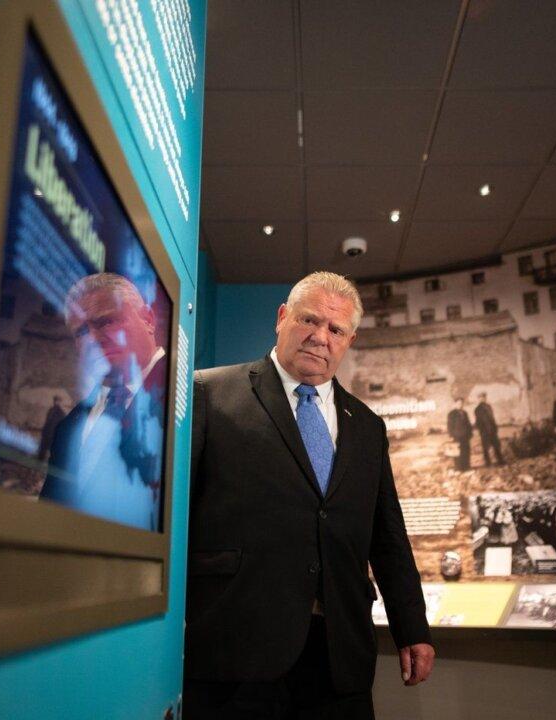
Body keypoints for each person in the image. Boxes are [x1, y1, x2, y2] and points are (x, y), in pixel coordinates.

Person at [184, 272, 434, 719]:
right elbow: (176, 514)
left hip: (339, 653)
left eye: (335, 329)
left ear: (349, 340)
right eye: (309, 320)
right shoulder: (210, 393)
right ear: (282, 318)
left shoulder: (367, 425)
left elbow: (388, 536)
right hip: (236, 649)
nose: (320, 337)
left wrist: (412, 627)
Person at [38, 273, 167, 531]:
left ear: (148, 320)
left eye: (107, 321)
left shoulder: (195, 400)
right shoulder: (68, 426)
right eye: (81, 331)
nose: (93, 339)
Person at [474, 393, 504, 465]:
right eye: (481, 398)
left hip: (492, 431)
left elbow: (492, 418)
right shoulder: (477, 409)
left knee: (496, 445)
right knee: (485, 447)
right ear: (478, 399)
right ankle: (488, 462)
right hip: (484, 432)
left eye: (484, 397)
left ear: (485, 398)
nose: (482, 399)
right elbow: (478, 422)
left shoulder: (489, 407)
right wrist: (481, 431)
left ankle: (500, 461)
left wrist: (495, 428)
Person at [37, 395, 66, 460]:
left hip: (53, 434)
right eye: (55, 401)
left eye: (58, 401)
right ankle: (39, 462)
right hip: (47, 432)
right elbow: (47, 421)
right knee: (43, 448)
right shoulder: (51, 410)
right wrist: (44, 430)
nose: (56, 402)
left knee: (53, 450)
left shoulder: (61, 413)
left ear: (60, 402)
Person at [447, 398, 472, 471]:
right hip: (456, 436)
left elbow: (468, 424)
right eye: (458, 403)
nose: (460, 405)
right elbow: (449, 425)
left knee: (466, 451)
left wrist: (470, 434)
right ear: (455, 404)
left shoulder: (465, 413)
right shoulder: (452, 414)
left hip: (465, 436)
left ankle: (466, 466)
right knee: (457, 452)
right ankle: (458, 468)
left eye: (461, 403)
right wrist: (451, 435)